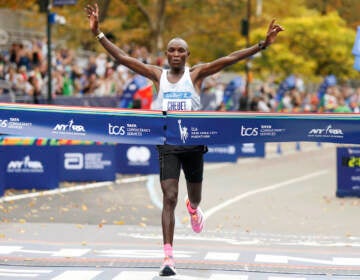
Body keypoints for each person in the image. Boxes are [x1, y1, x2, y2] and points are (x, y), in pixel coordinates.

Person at [85, 3, 283, 276]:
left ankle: (194, 209)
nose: (176, 54)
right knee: (169, 196)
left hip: (193, 144)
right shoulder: (158, 75)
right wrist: (99, 34)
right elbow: (124, 59)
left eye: (181, 50)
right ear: (166, 54)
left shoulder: (196, 74)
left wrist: (262, 45)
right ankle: (168, 257)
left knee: (194, 197)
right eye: (172, 50)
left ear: (188, 55)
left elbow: (229, 58)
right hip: (168, 143)